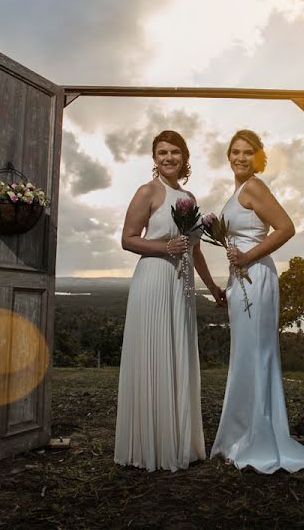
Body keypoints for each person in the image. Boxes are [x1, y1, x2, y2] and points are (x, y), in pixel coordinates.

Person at [210, 129, 304, 474]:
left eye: (248, 152)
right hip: (243, 278)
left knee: (257, 353)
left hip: (257, 276)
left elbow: (286, 227)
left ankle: (260, 438)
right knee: (245, 354)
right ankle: (243, 433)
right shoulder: (239, 191)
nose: (241, 158)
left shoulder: (256, 186)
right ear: (228, 155)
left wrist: (246, 258)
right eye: (235, 151)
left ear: (257, 157)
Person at [114, 130, 227, 472]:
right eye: (162, 152)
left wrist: (213, 287)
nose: (168, 158)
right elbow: (127, 239)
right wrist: (164, 247)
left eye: (175, 152)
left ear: (185, 157)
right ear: (154, 158)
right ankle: (152, 443)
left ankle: (179, 440)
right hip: (154, 280)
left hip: (183, 287)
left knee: (177, 353)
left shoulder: (189, 197)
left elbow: (195, 249)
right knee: (155, 352)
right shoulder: (147, 192)